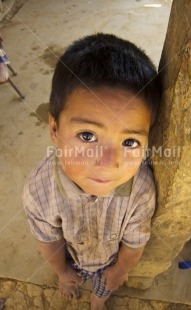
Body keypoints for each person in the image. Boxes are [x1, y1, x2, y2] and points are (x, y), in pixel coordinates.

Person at [23, 33, 160, 310]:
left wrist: (120, 271)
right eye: (87, 136)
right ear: (54, 129)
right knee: (69, 278)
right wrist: (62, 271)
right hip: (72, 257)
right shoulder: (39, 191)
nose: (109, 164)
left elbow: (134, 244)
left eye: (130, 142)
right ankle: (67, 281)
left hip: (110, 262)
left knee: (104, 286)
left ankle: (98, 300)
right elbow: (49, 242)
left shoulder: (141, 190)